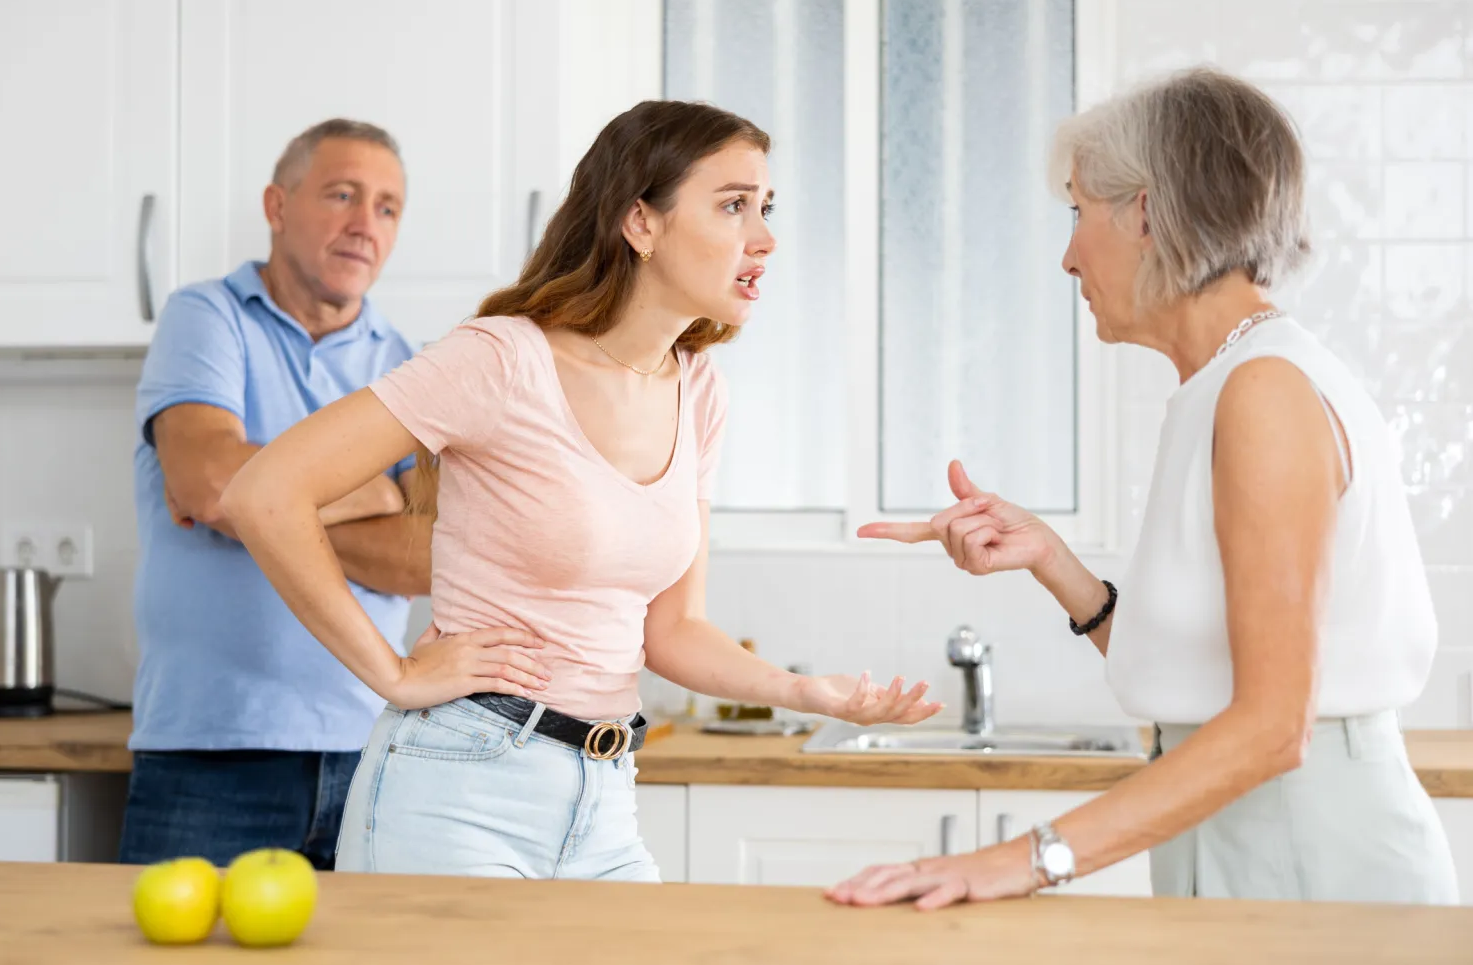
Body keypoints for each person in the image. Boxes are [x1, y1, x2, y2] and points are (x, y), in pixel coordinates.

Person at [219, 100, 942, 882]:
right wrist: (392, 673)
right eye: (733, 205)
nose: (763, 237)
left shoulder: (698, 391)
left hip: (604, 796)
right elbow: (264, 493)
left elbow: (673, 629)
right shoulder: (502, 360)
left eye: (765, 208)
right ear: (641, 222)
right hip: (457, 787)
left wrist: (808, 692)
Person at [827, 68, 1458, 909]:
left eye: (1078, 212)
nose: (1067, 253)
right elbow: (1205, 673)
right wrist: (1053, 561)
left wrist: (1017, 860)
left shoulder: (1263, 392)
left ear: (1149, 213)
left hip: (1310, 850)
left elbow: (1274, 724)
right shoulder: (1224, 385)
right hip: (1241, 833)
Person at [120, 118, 435, 870]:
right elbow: (208, 482)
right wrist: (378, 495)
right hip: (209, 751)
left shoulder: (407, 365)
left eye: (387, 207)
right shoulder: (207, 317)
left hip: (368, 750)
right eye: (341, 195)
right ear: (277, 203)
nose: (366, 225)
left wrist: (266, 505)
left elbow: (423, 555)